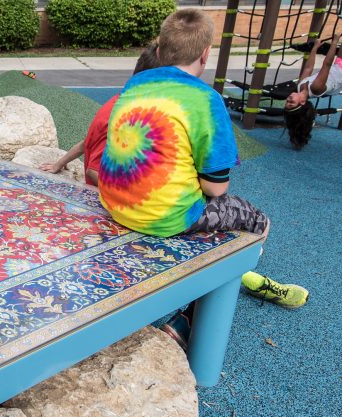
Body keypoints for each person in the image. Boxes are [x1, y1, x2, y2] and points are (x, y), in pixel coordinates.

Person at [98, 9, 309, 350]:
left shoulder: (135, 85)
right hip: (164, 216)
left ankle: (222, 277)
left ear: (161, 50)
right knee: (258, 223)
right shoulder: (205, 100)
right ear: (205, 54)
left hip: (114, 203)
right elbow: (216, 187)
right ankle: (189, 319)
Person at [39, 43, 162, 185]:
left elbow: (85, 144)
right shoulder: (121, 120)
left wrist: (58, 164)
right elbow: (93, 171)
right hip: (103, 197)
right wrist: (123, 198)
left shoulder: (116, 102)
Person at [282, 34, 342, 149]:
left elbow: (308, 68)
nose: (288, 100)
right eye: (291, 103)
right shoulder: (316, 88)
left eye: (286, 103)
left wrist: (315, 47)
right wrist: (334, 42)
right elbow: (326, 65)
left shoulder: (300, 86)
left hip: (338, 65)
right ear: (303, 102)